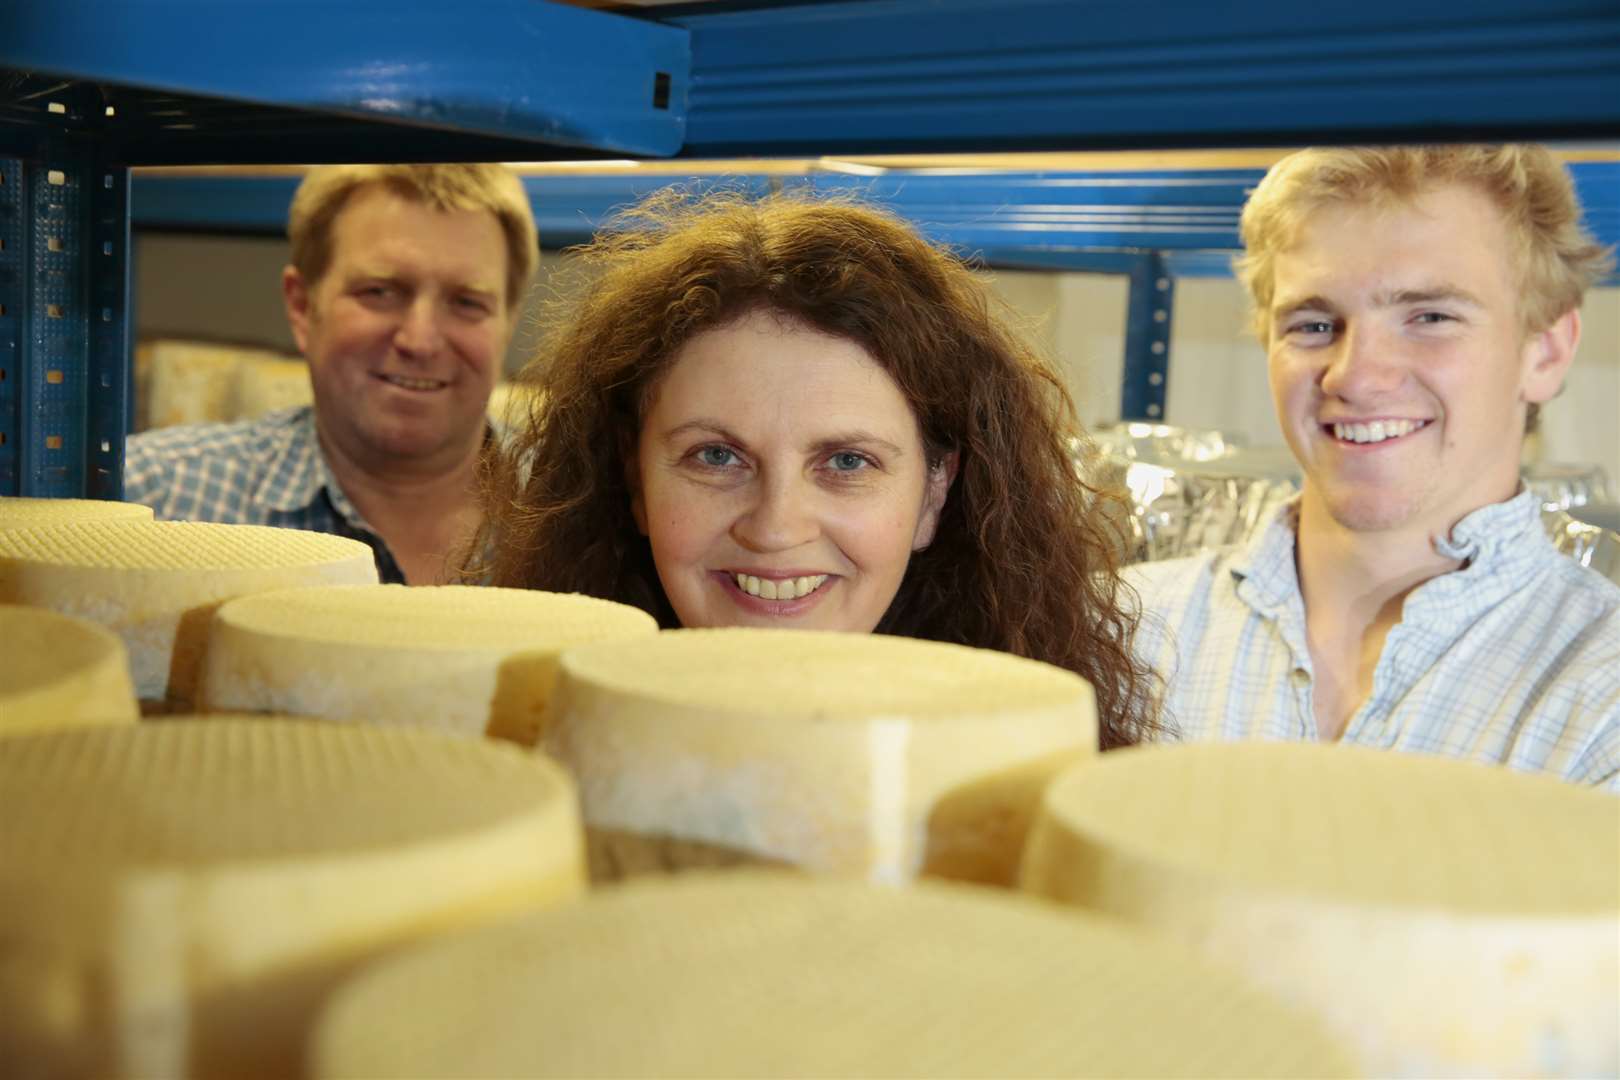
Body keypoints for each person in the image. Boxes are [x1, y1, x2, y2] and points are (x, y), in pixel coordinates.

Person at [476, 189, 1158, 748]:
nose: (776, 529)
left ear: (934, 493)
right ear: (634, 483)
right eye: (716, 456)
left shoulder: (1037, 785)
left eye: (846, 461)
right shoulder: (516, 761)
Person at [1127, 144, 1619, 788]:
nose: (1355, 376)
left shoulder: (1602, 694)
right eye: (1312, 324)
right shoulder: (1121, 629)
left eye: (1430, 317)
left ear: (1546, 352)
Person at [124, 163, 538, 584]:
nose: (420, 341)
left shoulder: (589, 509)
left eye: (467, 303)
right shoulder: (148, 503)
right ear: (302, 308)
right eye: (379, 292)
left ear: (507, 323)